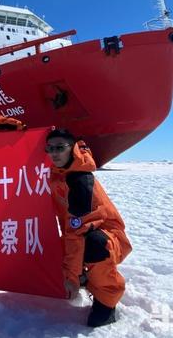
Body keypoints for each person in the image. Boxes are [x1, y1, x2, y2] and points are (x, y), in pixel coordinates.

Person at [46, 129, 132, 327]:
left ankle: (107, 301)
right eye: (49, 148)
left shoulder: (79, 182)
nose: (54, 153)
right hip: (77, 234)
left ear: (72, 149)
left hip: (108, 240)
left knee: (94, 245)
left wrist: (72, 278)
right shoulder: (59, 174)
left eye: (60, 148)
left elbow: (78, 234)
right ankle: (85, 275)